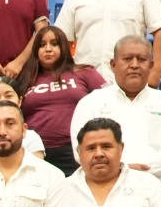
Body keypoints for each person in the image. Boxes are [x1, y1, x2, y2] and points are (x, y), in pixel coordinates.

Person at [69, 36, 161, 187]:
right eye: (127, 59)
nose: (134, 65)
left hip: (157, 187)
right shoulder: (91, 103)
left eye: (142, 59)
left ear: (151, 65)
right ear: (113, 65)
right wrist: (120, 171)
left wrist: (138, 172)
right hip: (105, 188)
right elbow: (80, 149)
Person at [14, 25, 103, 173]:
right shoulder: (24, 79)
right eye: (42, 45)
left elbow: (108, 101)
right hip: (34, 150)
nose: (48, 49)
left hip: (76, 148)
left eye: (54, 44)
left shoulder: (85, 73)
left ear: (64, 47)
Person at [0, 78, 47, 160]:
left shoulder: (31, 137)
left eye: (8, 96)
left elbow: (36, 166)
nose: (2, 101)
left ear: (20, 101)